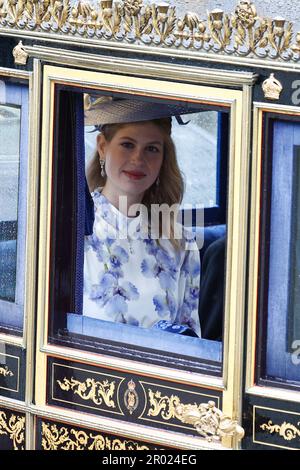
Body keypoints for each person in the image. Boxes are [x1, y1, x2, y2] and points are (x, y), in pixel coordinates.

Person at [83, 95, 201, 337]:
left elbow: (191, 342)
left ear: (163, 159)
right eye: (127, 144)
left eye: (152, 149)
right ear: (103, 147)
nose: (138, 159)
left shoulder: (182, 244)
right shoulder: (73, 230)